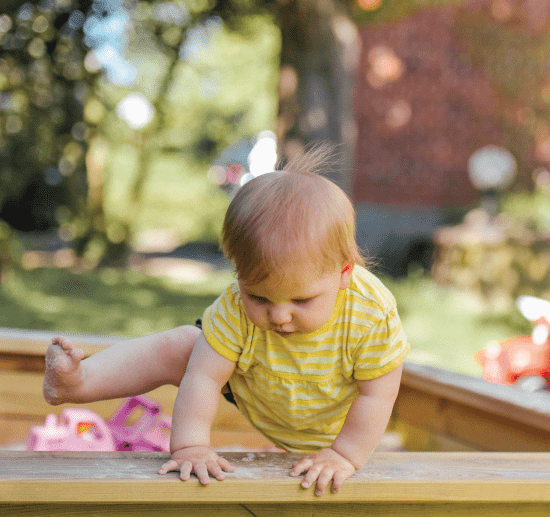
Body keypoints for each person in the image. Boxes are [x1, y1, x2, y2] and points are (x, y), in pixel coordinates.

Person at [42, 146, 410, 495]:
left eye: (302, 299)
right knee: (184, 346)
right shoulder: (234, 307)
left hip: (336, 420)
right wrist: (190, 446)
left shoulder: (369, 313)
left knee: (362, 406)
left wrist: (344, 454)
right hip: (261, 386)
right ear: (238, 274)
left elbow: (378, 392)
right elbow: (203, 377)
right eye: (259, 297)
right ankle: (78, 382)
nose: (279, 316)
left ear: (344, 273)